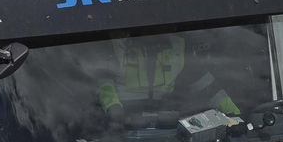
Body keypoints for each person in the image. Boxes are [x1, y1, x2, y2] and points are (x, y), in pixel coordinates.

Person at [96, 31, 239, 122]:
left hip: (166, 127)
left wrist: (234, 115)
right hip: (123, 127)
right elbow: (103, 82)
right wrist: (114, 109)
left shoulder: (178, 45)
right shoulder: (116, 44)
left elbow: (207, 85)